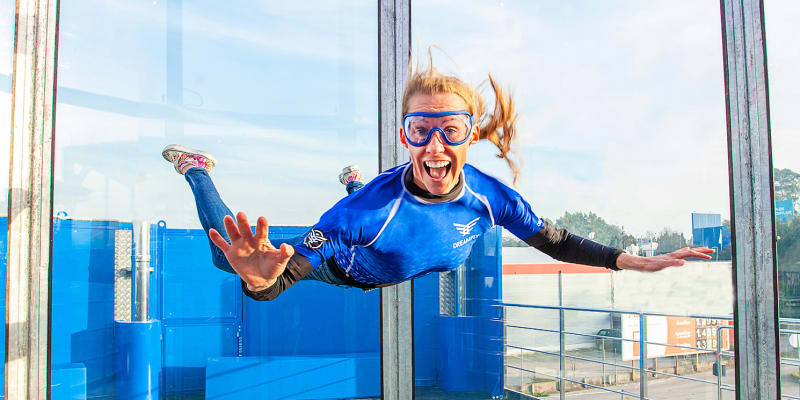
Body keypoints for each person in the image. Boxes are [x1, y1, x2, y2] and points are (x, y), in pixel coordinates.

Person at [162, 65, 714, 301]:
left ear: (470, 137)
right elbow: (295, 268)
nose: (434, 146)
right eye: (418, 130)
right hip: (349, 270)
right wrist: (263, 284)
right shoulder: (356, 217)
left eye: (450, 130)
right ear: (405, 137)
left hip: (385, 232)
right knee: (227, 260)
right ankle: (198, 170)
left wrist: (632, 261)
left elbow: (557, 241)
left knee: (378, 205)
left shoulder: (489, 196)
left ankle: (355, 178)